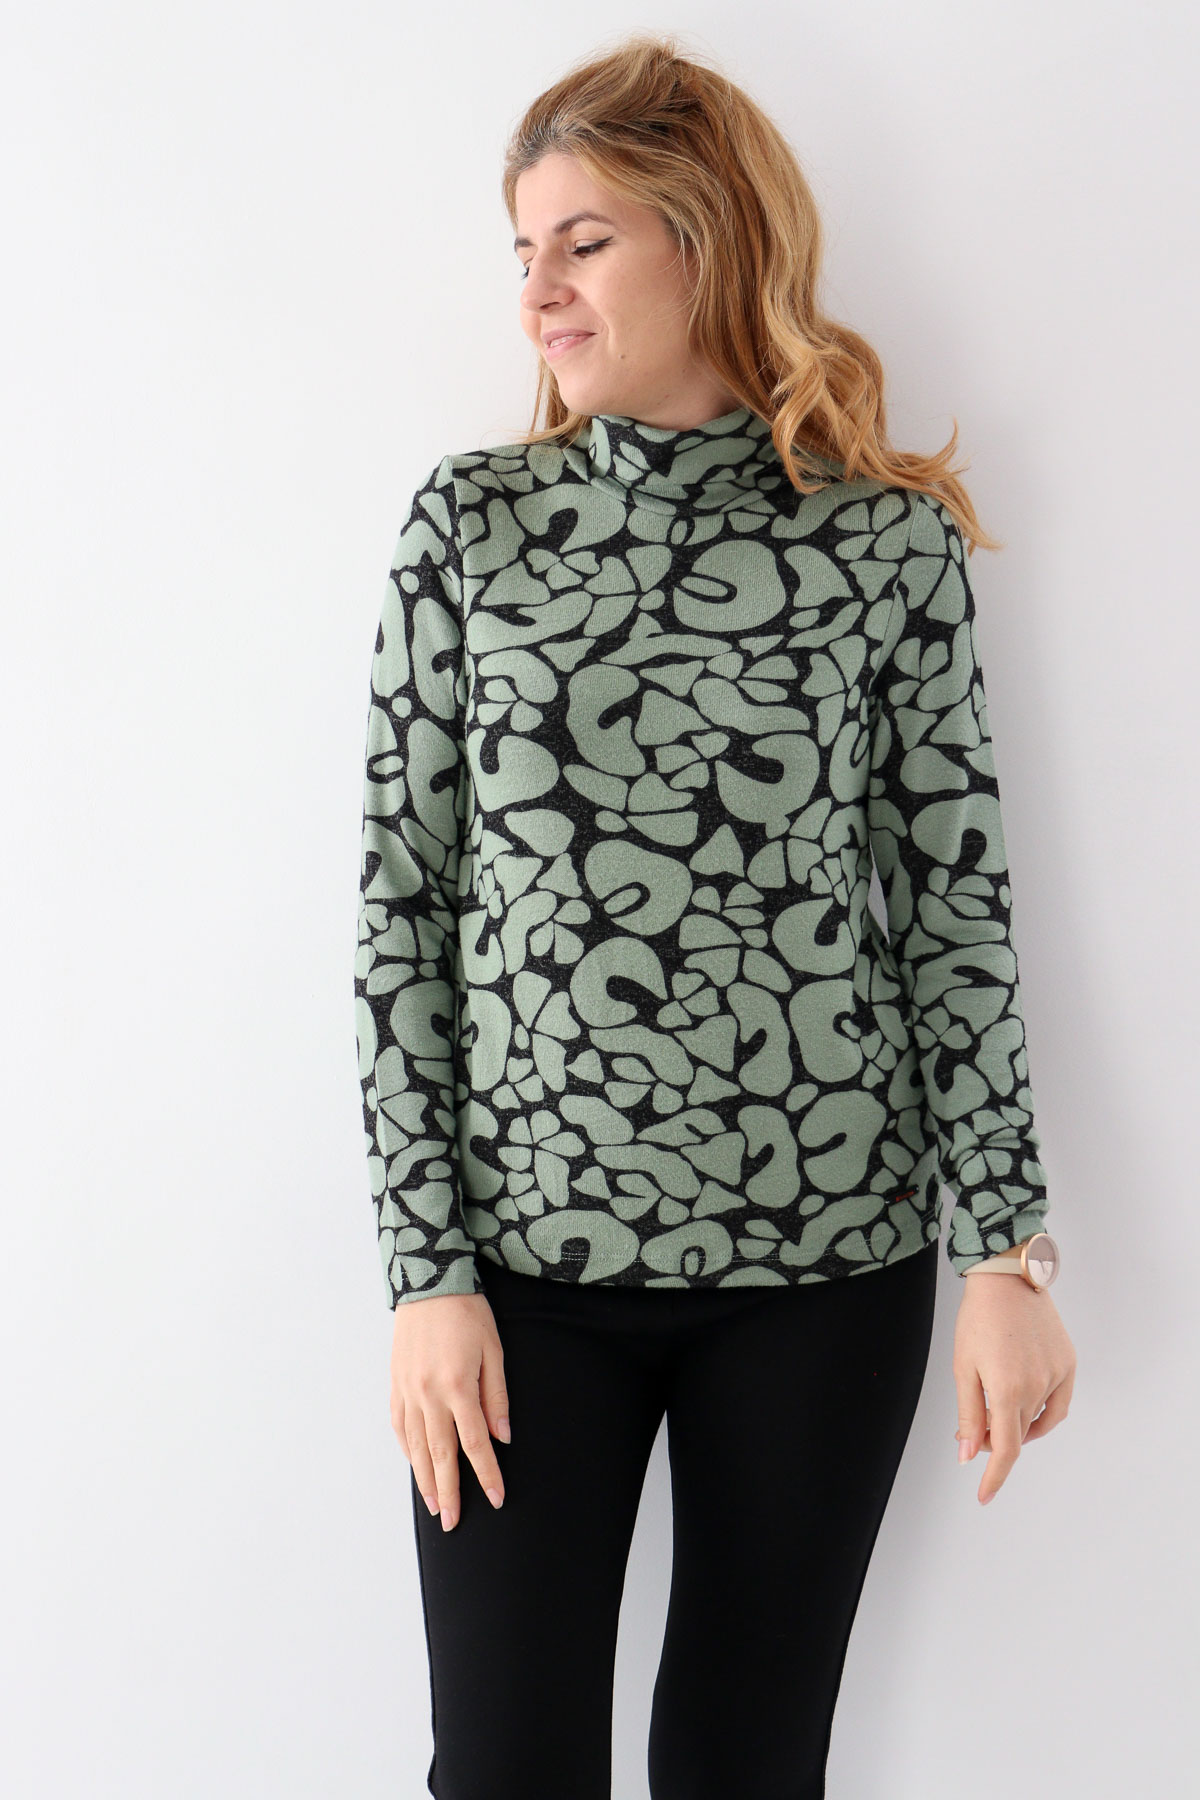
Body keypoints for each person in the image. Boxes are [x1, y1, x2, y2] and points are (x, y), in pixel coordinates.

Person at [353, 31, 1076, 1800]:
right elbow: (401, 914)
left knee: (747, 1767)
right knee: (503, 1767)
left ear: (711, 236)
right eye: (523, 249)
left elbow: (955, 909)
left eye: (583, 241)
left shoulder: (885, 544)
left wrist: (1006, 1254)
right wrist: (426, 1274)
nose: (537, 288)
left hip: (826, 1277)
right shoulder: (471, 528)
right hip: (525, 1283)